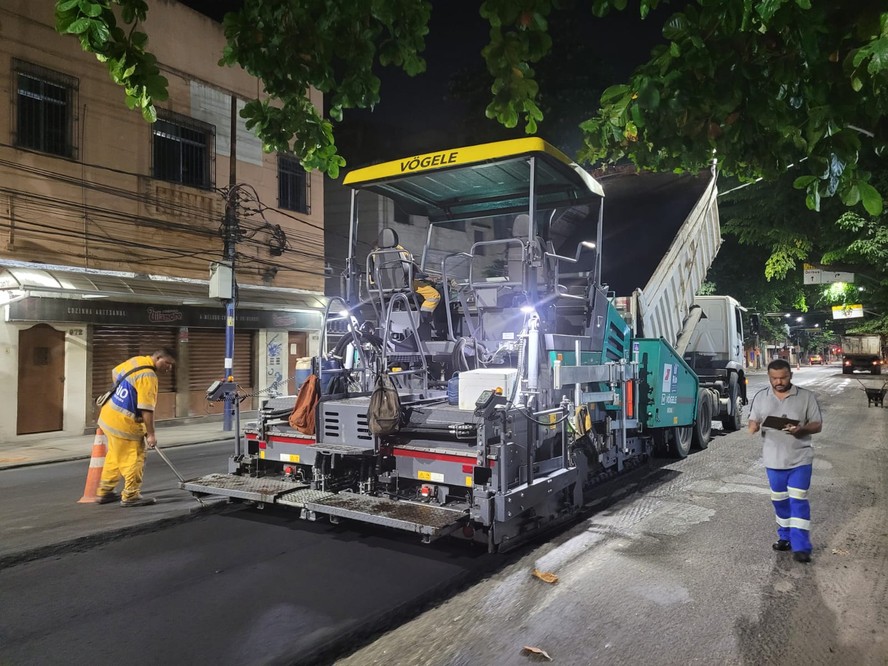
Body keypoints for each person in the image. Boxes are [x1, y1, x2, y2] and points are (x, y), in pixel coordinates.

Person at [748, 358, 823, 563]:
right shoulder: (761, 397)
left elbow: (817, 425)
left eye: (783, 377)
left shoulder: (805, 397)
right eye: (774, 378)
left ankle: (802, 547)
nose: (779, 382)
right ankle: (785, 537)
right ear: (769, 377)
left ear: (791, 375)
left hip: (800, 458)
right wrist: (753, 426)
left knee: (798, 500)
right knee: (779, 501)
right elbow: (753, 420)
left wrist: (802, 430)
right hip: (773, 460)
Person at [95, 348, 177, 507]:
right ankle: (131, 495)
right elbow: (146, 409)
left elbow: (115, 372)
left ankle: (105, 491)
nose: (169, 368)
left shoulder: (137, 361)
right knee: (134, 458)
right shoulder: (149, 376)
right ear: (158, 358)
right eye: (167, 363)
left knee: (115, 456)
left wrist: (124, 394)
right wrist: (151, 434)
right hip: (125, 425)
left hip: (109, 416)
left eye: (172, 365)